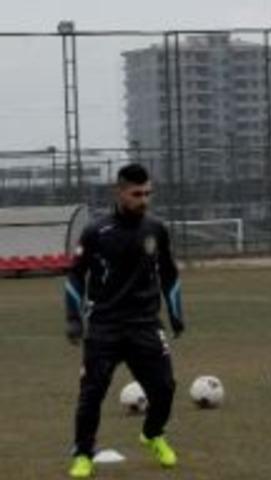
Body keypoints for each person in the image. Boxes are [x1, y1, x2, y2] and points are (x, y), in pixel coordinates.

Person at [65, 164, 185, 478]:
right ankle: (82, 454)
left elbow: (169, 273)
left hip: (145, 324)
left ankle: (152, 433)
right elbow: (76, 275)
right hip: (105, 325)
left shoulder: (156, 229)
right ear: (120, 192)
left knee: (165, 387)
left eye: (147, 193)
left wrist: (175, 313)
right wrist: (73, 319)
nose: (144, 199)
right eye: (137, 194)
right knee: (91, 393)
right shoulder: (96, 232)